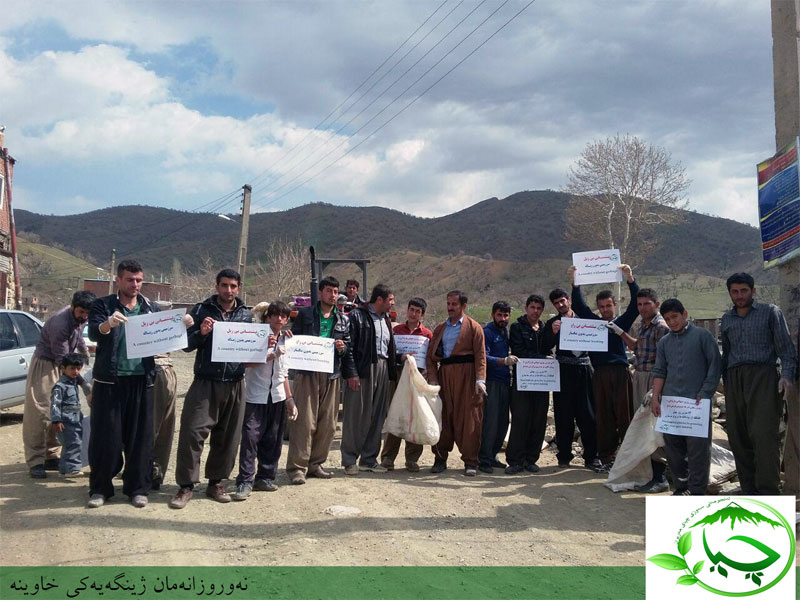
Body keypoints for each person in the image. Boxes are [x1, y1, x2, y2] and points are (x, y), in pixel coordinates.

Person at [88, 260, 173, 509]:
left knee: (140, 439)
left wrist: (182, 327)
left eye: (138, 280)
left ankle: (137, 488)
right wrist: (108, 324)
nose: (134, 285)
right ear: (118, 280)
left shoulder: (150, 308)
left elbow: (165, 337)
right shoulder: (102, 305)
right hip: (109, 381)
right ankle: (100, 489)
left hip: (142, 381)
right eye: (129, 280)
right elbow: (94, 332)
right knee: (106, 439)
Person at [169, 268, 253, 509]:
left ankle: (216, 482)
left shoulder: (246, 314)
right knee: (192, 433)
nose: (228, 290)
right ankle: (186, 486)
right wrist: (201, 332)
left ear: (238, 288)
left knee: (228, 437)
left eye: (233, 286)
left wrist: (264, 344)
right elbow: (185, 346)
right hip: (206, 382)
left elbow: (251, 349)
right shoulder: (200, 310)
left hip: (235, 382)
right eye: (224, 285)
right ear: (217, 286)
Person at [720, 272, 797, 495]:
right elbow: (726, 355)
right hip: (735, 380)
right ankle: (749, 491)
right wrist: (725, 383)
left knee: (765, 437)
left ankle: (769, 492)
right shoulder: (726, 319)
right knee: (737, 436)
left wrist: (786, 376)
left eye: (744, 290)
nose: (739, 295)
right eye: (735, 291)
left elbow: (786, 349)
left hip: (764, 377)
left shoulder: (770, 312)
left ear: (753, 291)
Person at [569, 264, 640, 471]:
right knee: (604, 416)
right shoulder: (593, 324)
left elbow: (635, 306)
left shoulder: (622, 322)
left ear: (614, 305)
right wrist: (575, 283)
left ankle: (628, 459)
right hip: (599, 374)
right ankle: (607, 458)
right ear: (598, 308)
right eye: (601, 307)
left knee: (624, 415)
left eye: (608, 306)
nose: (605, 310)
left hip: (620, 373)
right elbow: (580, 307)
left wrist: (630, 279)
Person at [286, 276, 354, 485]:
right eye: (328, 291)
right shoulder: (305, 314)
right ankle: (298, 468)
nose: (332, 296)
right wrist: (290, 338)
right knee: (304, 421)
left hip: (332, 374)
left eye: (335, 292)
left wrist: (343, 349)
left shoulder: (343, 319)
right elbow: (294, 337)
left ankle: (316, 464)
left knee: (328, 423)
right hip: (307, 373)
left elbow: (348, 347)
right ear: (320, 293)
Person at [651, 298, 721, 495]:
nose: (672, 322)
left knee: (698, 450)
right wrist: (656, 397)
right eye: (667, 319)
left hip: (697, 404)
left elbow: (715, 367)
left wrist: (705, 393)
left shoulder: (703, 336)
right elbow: (660, 371)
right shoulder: (664, 343)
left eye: (675, 317)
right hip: (671, 405)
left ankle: (697, 490)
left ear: (685, 314)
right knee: (673, 449)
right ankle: (681, 488)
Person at [23, 290, 95, 479]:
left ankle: (50, 455)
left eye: (87, 314)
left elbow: (78, 337)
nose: (84, 317)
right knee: (40, 412)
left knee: (61, 411)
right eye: (81, 312)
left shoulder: (80, 318)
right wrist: (84, 385)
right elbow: (63, 360)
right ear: (72, 307)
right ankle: (36, 460)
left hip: (64, 364)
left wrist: (85, 352)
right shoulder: (59, 324)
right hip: (47, 365)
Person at [232, 301, 298, 500]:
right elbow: (246, 363)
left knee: (273, 439)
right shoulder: (256, 338)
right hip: (255, 396)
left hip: (276, 397)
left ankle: (266, 477)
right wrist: (270, 354)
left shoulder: (287, 341)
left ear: (286, 320)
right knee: (251, 438)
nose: (279, 319)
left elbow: (284, 374)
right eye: (275, 315)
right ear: (268, 317)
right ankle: (245, 480)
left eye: (283, 316)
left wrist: (290, 399)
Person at [613, 288, 670, 493]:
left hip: (653, 378)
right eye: (639, 304)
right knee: (643, 425)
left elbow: (665, 360)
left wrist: (658, 389)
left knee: (653, 427)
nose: (643, 308)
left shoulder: (661, 327)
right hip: (640, 375)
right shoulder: (645, 326)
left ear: (656, 304)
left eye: (647, 304)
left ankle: (660, 476)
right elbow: (638, 348)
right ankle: (650, 474)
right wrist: (620, 333)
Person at [426, 290, 487, 477]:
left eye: (454, 304)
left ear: (463, 306)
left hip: (466, 377)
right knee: (442, 415)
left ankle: (470, 461)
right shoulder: (440, 328)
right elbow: (431, 357)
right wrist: (434, 378)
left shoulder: (474, 327)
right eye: (448, 304)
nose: (450, 307)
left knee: (469, 417)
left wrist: (480, 380)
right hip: (445, 376)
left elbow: (480, 356)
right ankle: (440, 458)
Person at [341, 284, 397, 475]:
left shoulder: (386, 319)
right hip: (363, 369)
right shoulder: (357, 316)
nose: (393, 303)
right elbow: (348, 347)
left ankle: (369, 459)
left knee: (377, 415)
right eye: (390, 300)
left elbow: (389, 347)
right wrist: (352, 373)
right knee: (356, 415)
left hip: (382, 368)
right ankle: (349, 460)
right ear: (379, 300)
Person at [542, 288, 599, 471]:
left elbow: (597, 339)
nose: (560, 305)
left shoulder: (584, 319)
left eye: (562, 301)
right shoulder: (553, 322)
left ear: (569, 300)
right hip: (563, 371)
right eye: (556, 303)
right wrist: (552, 333)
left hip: (584, 370)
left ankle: (591, 457)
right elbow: (544, 345)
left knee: (588, 415)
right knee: (563, 415)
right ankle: (564, 456)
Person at [380, 297, 432, 472]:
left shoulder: (426, 335)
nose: (414, 313)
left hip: (417, 381)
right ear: (407, 310)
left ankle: (412, 459)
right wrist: (400, 357)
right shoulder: (396, 331)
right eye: (412, 310)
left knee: (414, 418)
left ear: (422, 315)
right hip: (397, 377)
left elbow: (430, 359)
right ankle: (387, 457)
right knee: (395, 414)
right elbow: (389, 353)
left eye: (418, 311)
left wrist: (426, 371)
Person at [505, 295, 551, 475]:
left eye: (539, 308)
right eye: (532, 307)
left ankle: (531, 459)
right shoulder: (517, 327)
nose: (535, 311)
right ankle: (515, 461)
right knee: (520, 420)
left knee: (538, 421)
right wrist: (542, 359)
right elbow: (519, 352)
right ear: (526, 308)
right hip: (522, 382)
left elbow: (549, 348)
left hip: (542, 382)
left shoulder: (545, 328)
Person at [478, 301, 515, 474]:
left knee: (502, 423)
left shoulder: (505, 331)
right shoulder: (487, 332)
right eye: (499, 315)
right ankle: (483, 459)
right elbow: (484, 356)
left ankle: (493, 456)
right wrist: (503, 361)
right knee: (490, 422)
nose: (503, 318)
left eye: (506, 315)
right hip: (491, 382)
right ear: (493, 314)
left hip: (505, 382)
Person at [150, 303, 179, 491]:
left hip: (164, 371)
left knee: (164, 428)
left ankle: (154, 473)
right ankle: (146, 472)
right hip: (152, 373)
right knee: (150, 428)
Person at [49, 353, 88, 477]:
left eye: (78, 368)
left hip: (75, 419)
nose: (75, 371)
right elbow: (55, 404)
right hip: (65, 421)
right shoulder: (60, 387)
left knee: (69, 444)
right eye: (72, 368)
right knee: (74, 444)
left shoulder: (73, 383)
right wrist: (56, 420)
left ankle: (64, 469)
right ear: (63, 368)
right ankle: (73, 469)